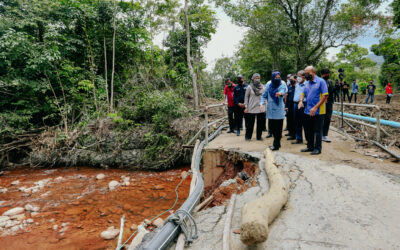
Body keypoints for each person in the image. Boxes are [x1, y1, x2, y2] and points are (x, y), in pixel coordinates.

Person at [298, 66, 328, 155]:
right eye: (305, 73)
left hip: (318, 111)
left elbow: (325, 96)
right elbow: (303, 93)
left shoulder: (321, 82)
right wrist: (300, 101)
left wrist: (315, 107)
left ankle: (317, 148)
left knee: (317, 131)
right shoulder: (307, 83)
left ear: (313, 72)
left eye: (308, 73)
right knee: (308, 130)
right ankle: (310, 146)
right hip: (307, 110)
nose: (306, 75)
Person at [260, 71, 287, 151]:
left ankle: (276, 145)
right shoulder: (268, 85)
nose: (277, 79)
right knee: (272, 129)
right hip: (271, 110)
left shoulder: (282, 84)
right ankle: (277, 144)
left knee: (278, 129)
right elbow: (264, 95)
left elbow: (283, 91)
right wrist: (261, 103)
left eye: (279, 77)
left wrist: (280, 93)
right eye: (276, 77)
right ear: (273, 77)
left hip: (279, 110)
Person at [244, 73, 265, 141]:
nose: (257, 79)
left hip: (260, 108)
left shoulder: (262, 86)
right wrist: (246, 107)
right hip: (251, 108)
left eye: (258, 77)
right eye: (255, 78)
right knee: (250, 124)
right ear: (253, 78)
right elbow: (246, 97)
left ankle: (259, 137)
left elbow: (264, 97)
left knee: (260, 124)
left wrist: (265, 107)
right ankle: (248, 137)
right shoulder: (249, 87)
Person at [292, 70, 307, 144]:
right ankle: (299, 138)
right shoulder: (297, 84)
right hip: (295, 104)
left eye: (299, 76)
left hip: (304, 104)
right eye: (297, 76)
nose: (297, 78)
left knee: (305, 122)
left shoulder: (307, 84)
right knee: (297, 122)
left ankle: (308, 139)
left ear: (304, 77)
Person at [321, 69, 334, 143]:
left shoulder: (330, 81)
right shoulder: (319, 81)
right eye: (326, 74)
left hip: (329, 102)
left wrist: (338, 87)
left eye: (328, 74)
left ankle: (324, 135)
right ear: (322, 74)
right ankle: (318, 134)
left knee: (328, 118)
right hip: (321, 102)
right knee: (320, 118)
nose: (328, 75)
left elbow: (332, 91)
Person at [285, 75, 297, 140]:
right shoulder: (289, 87)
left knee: (293, 121)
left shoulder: (297, 87)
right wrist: (286, 106)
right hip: (289, 106)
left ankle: (294, 135)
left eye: (292, 79)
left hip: (294, 105)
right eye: (290, 79)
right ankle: (290, 132)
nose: (290, 80)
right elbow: (287, 97)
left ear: (295, 79)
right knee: (289, 120)